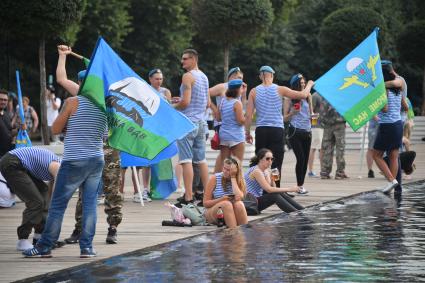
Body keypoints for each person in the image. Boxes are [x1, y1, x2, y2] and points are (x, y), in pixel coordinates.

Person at [23, 45, 107, 258]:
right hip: (96, 160)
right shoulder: (105, 106)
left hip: (74, 160)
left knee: (58, 205)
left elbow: (55, 129)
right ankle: (86, 248)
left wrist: (72, 123)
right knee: (89, 206)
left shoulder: (72, 102)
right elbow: (106, 135)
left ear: (81, 83)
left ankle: (44, 247)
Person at [245, 66, 314, 186]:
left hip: (261, 130)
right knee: (276, 163)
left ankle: (259, 188)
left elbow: (249, 115)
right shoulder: (280, 89)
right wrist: (309, 85)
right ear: (272, 75)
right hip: (277, 130)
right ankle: (276, 188)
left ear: (261, 76)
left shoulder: (253, 91)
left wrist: (247, 133)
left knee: (260, 161)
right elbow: (303, 95)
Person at [0, 147, 60, 251]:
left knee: (43, 192)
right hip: (12, 162)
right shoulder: (59, 168)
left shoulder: (60, 168)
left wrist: (49, 205)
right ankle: (22, 240)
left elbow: (50, 192)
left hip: (21, 164)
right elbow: (57, 195)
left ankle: (39, 237)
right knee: (36, 202)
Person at [173, 49, 209, 204]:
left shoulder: (188, 76)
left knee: (186, 160)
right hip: (201, 123)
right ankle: (206, 195)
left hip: (187, 123)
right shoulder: (204, 77)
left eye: (185, 59)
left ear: (194, 59)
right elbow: (207, 102)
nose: (182, 62)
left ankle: (188, 196)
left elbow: (186, 103)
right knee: (201, 160)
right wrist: (180, 100)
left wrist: (173, 107)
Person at [372, 61, 407, 194]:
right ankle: (391, 184)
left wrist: (375, 104)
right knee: (393, 155)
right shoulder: (398, 88)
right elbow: (406, 107)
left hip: (387, 125)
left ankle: (391, 180)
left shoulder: (383, 89)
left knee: (377, 155)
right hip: (398, 124)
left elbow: (385, 109)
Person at [209, 67, 246, 173]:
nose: (241, 80)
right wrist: (214, 109)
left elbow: (240, 106)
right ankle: (220, 181)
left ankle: (217, 181)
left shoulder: (235, 93)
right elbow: (205, 93)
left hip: (226, 127)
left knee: (223, 158)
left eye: (242, 78)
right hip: (224, 125)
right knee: (230, 160)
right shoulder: (222, 86)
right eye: (239, 77)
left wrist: (244, 95)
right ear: (232, 76)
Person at [244, 148, 304, 213]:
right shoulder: (256, 171)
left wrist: (272, 177)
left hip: (255, 201)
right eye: (267, 159)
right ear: (260, 159)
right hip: (250, 203)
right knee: (275, 196)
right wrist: (290, 189)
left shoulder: (265, 171)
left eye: (272, 159)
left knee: (278, 193)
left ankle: (302, 210)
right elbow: (269, 190)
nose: (270, 161)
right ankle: (297, 213)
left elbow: (273, 188)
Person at [284, 74, 313, 195]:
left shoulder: (308, 96)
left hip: (307, 131)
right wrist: (292, 113)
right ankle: (299, 185)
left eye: (304, 83)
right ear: (295, 84)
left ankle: (301, 186)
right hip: (295, 131)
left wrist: (314, 116)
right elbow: (284, 118)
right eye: (300, 83)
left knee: (305, 160)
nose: (303, 84)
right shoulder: (289, 98)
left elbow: (311, 113)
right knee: (300, 158)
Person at [203, 157, 248, 228]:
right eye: (224, 168)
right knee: (226, 204)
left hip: (230, 212)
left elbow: (240, 197)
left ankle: (244, 232)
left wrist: (233, 177)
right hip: (213, 212)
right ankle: (234, 232)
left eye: (228, 170)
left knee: (239, 204)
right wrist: (222, 199)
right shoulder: (215, 178)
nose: (224, 171)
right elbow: (205, 203)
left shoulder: (239, 179)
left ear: (235, 171)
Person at [217, 79, 246, 169]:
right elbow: (240, 121)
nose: (242, 90)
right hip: (236, 136)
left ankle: (223, 182)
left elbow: (218, 118)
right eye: (241, 88)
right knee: (237, 164)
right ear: (237, 89)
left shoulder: (222, 101)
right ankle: (236, 182)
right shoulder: (237, 103)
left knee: (225, 165)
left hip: (224, 136)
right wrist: (249, 117)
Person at [319, 96, 349, 180]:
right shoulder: (341, 97)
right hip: (340, 123)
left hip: (327, 124)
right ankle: (340, 172)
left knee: (327, 148)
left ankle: (325, 172)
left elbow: (321, 112)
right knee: (340, 148)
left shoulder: (325, 96)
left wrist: (322, 122)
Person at [307, 92, 323, 178]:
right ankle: (310, 171)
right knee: (314, 148)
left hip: (324, 126)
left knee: (321, 149)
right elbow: (310, 111)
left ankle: (323, 170)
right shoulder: (315, 96)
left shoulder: (325, 95)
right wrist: (314, 124)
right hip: (317, 127)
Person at [0, 90, 16, 157]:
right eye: (1, 99)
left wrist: (19, 128)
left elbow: (9, 132)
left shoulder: (7, 115)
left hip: (6, 155)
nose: (3, 102)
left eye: (5, 100)